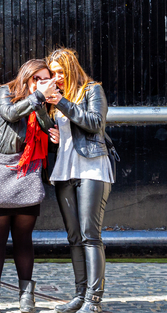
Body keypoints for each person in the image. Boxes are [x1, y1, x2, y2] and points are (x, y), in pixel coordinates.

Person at [0, 59, 56, 313]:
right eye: (38, 79)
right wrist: (38, 96)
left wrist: (45, 104)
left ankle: (26, 298)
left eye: (46, 79)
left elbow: (46, 127)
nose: (42, 84)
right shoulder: (4, 93)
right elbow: (11, 114)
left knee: (24, 238)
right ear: (26, 77)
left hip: (27, 170)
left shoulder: (40, 100)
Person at [42, 48, 114, 313]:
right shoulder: (54, 99)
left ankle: (93, 300)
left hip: (92, 169)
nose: (57, 77)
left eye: (61, 72)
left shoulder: (91, 90)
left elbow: (95, 123)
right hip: (64, 171)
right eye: (53, 73)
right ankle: (80, 294)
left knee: (89, 235)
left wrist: (60, 101)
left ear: (72, 68)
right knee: (74, 237)